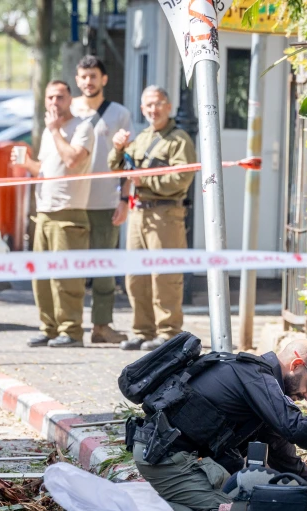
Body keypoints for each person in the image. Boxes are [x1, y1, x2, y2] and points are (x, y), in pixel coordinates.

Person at [129, 339, 307, 511]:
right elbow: (296, 427)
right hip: (164, 458)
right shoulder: (255, 376)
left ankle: (169, 499)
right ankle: (141, 510)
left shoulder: (260, 383)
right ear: (296, 364)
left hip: (175, 456)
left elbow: (279, 446)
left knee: (256, 499)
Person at [108, 85, 196, 351]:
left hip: (166, 213)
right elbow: (119, 169)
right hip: (139, 213)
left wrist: (143, 179)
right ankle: (142, 330)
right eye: (148, 105)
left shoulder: (179, 139)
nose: (153, 110)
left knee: (164, 275)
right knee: (136, 276)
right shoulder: (142, 138)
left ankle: (168, 333)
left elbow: (182, 178)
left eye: (158, 104)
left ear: (168, 107)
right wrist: (117, 148)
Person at [16, 80, 95, 348]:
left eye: (59, 97)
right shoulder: (51, 133)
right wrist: (28, 164)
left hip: (69, 214)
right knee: (41, 278)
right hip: (44, 213)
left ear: (70, 99)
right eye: (50, 98)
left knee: (66, 278)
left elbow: (73, 161)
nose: (53, 103)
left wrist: (56, 132)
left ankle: (71, 332)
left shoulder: (82, 128)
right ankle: (49, 328)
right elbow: (47, 168)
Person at [71, 55, 132, 346]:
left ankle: (101, 326)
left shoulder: (119, 113)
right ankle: (67, 328)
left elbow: (129, 160)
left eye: (93, 76)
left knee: (104, 270)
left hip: (107, 201)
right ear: (76, 79)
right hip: (71, 201)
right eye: (83, 76)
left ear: (104, 79)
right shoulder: (67, 109)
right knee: (69, 269)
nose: (88, 81)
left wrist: (124, 199)